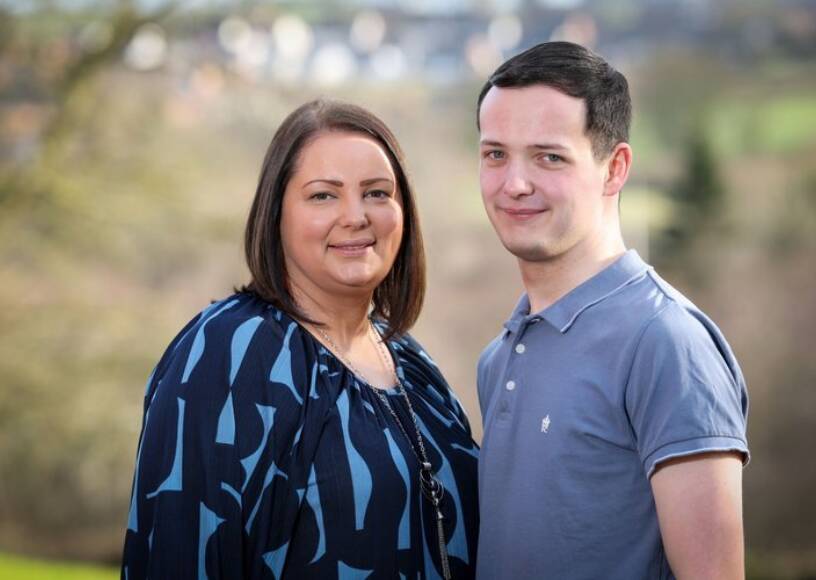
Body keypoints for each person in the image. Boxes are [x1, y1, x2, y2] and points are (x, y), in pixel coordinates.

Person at [121, 99, 479, 579]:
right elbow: (181, 552)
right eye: (323, 196)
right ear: (276, 214)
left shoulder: (413, 366)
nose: (356, 216)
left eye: (376, 193)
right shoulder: (231, 353)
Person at [474, 41, 749, 579]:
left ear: (614, 169)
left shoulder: (665, 343)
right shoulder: (498, 356)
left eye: (549, 156)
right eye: (495, 154)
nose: (515, 183)